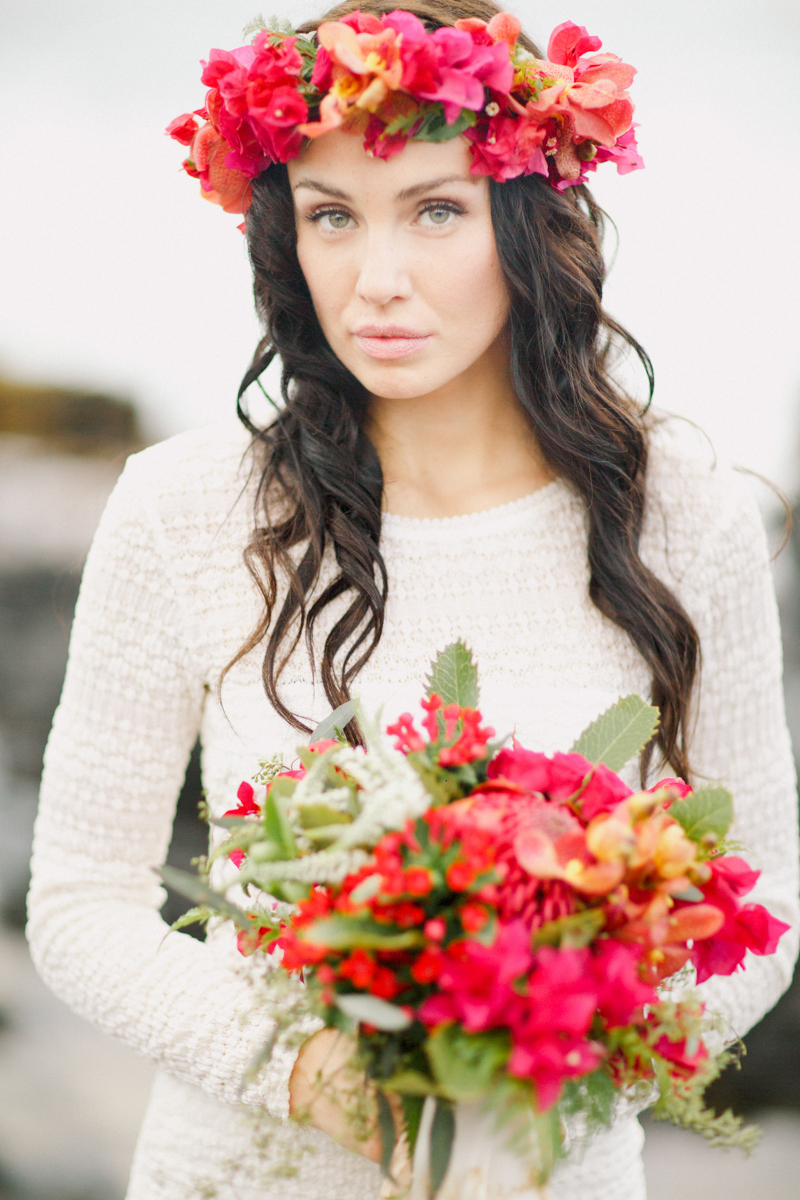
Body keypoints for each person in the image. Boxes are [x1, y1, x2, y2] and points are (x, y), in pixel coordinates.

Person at [27, 1, 799, 1198]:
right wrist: (304, 1071)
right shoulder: (181, 507)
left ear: (529, 224)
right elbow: (81, 903)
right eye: (331, 216)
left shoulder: (683, 511)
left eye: (436, 210)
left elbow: (761, 893)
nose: (374, 279)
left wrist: (567, 1062)